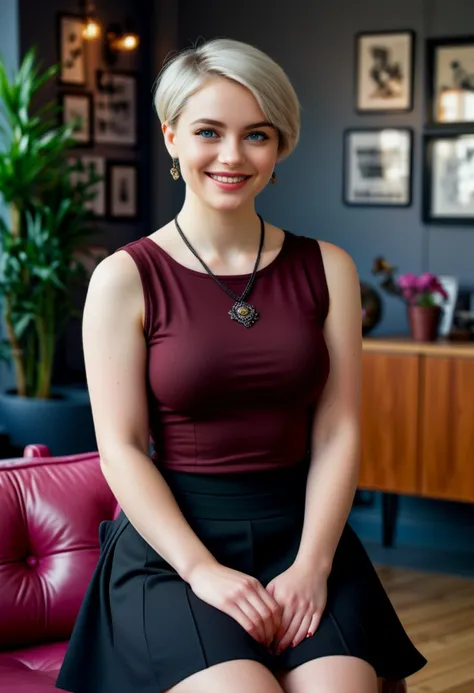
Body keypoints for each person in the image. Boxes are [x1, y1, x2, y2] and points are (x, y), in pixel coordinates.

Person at [56, 38, 426, 693]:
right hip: (175, 550)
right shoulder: (124, 278)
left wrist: (314, 562)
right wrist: (201, 568)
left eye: (256, 134)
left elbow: (338, 431)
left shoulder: (329, 269)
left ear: (279, 145)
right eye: (208, 132)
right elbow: (119, 448)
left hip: (304, 537)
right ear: (171, 137)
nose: (232, 156)